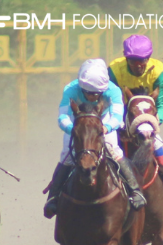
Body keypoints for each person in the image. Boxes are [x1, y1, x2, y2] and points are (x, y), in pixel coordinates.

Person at [42, 59, 146, 218]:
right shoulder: (70, 89)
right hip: (78, 124)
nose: (92, 96)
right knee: (67, 154)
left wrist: (106, 128)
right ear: (81, 87)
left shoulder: (113, 90)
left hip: (103, 121)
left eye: (96, 94)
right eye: (88, 93)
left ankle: (135, 191)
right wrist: (74, 130)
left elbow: (117, 116)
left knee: (113, 149)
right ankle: (53, 198)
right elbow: (62, 117)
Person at [107, 34, 163, 198]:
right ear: (125, 58)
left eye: (143, 60)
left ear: (149, 57)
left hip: (147, 116)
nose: (138, 65)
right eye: (133, 61)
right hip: (121, 114)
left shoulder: (159, 71)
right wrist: (118, 122)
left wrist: (154, 122)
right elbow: (108, 99)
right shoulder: (114, 70)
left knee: (155, 140)